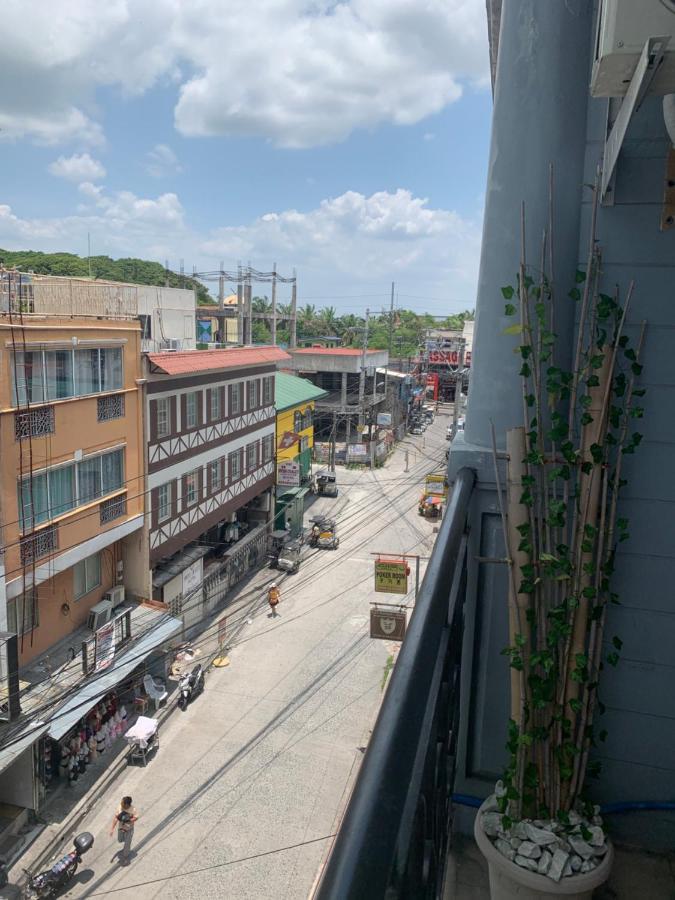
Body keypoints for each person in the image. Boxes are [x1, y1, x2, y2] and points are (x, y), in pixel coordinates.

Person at [110, 795, 137, 865]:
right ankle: (125, 843)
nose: (122, 805)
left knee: (127, 844)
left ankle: (125, 857)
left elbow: (136, 817)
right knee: (120, 840)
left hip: (129, 829)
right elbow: (116, 818)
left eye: (123, 804)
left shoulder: (133, 809)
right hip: (121, 827)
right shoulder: (120, 807)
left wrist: (129, 820)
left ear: (128, 805)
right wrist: (112, 829)